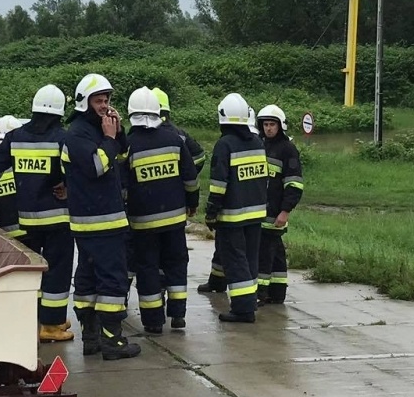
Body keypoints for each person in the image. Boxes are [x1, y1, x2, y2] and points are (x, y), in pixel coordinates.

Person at [0, 87, 74, 343]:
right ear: (59, 113)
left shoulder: (15, 137)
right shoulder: (63, 138)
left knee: (34, 271)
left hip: (28, 219)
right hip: (58, 219)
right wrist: (67, 186)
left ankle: (38, 319)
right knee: (57, 271)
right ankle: (52, 325)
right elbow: (75, 173)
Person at [62, 73, 140, 359]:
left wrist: (118, 133)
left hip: (96, 220)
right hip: (100, 220)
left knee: (88, 279)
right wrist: (109, 138)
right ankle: (112, 341)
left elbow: (120, 159)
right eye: (98, 100)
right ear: (84, 103)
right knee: (112, 280)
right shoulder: (78, 134)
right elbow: (97, 166)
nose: (105, 106)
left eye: (107, 100)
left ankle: (92, 339)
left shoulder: (95, 130)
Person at [121, 87, 198, 334]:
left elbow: (122, 187)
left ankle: (153, 321)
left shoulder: (129, 146)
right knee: (176, 264)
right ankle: (177, 316)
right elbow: (190, 179)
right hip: (175, 219)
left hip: (142, 224)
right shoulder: (175, 140)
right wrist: (192, 202)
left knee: (147, 268)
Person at [202, 92, 268, 323]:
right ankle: (251, 302)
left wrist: (211, 211)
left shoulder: (224, 145)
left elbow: (219, 184)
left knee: (236, 260)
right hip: (257, 213)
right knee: (250, 259)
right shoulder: (258, 142)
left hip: (233, 216)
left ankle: (242, 308)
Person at [255, 105, 304, 304]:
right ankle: (277, 293)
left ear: (280, 126)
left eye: (272, 125)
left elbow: (294, 184)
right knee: (276, 254)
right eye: (265, 124)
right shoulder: (261, 145)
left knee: (264, 255)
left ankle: (260, 293)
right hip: (261, 212)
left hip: (275, 213)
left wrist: (285, 212)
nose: (268, 128)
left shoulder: (287, 149)